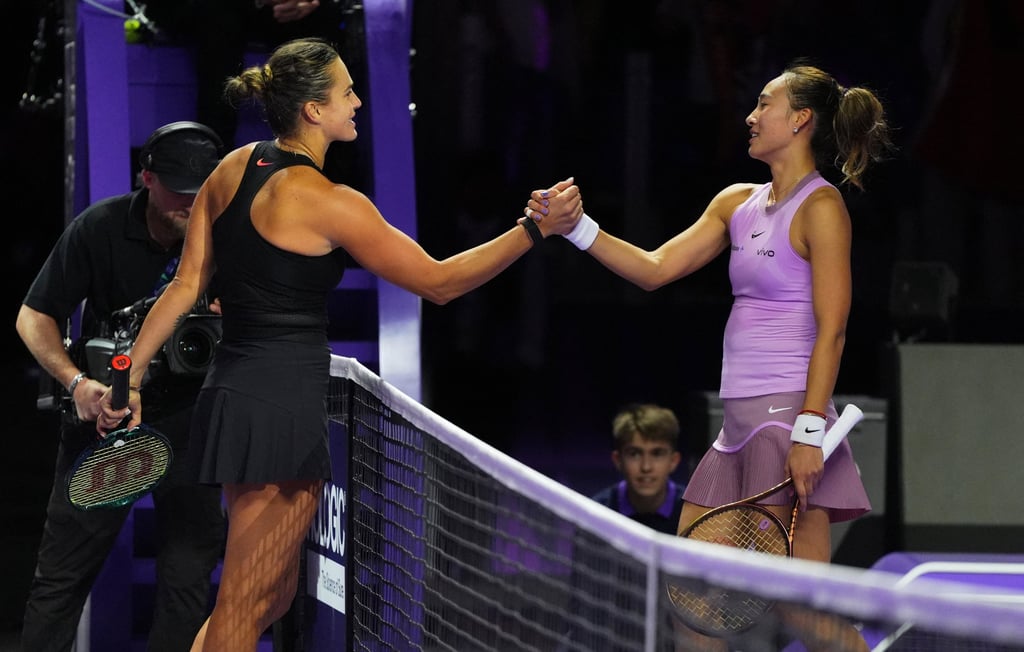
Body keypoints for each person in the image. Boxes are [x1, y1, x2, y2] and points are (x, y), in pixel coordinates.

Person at [97, 37, 583, 651]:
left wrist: (131, 375)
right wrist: (534, 231)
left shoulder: (231, 169)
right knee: (242, 608)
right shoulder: (331, 204)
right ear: (313, 111)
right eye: (347, 92)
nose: (358, 101)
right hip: (278, 408)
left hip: (237, 395)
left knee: (266, 597)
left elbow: (186, 285)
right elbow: (438, 283)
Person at [529, 61, 892, 651]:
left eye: (764, 104)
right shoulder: (735, 203)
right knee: (693, 608)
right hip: (735, 434)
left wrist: (807, 431)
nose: (750, 116)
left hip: (788, 428)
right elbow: (654, 270)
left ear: (800, 119)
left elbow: (834, 330)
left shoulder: (822, 208)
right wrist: (577, 229)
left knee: (804, 615)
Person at [15, 121, 228, 652]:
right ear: (146, 177)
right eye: (177, 189)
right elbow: (32, 315)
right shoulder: (100, 227)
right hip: (106, 421)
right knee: (60, 580)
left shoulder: (228, 237)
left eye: (200, 191)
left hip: (189, 421)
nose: (189, 202)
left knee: (187, 577)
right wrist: (78, 383)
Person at [590, 403, 686, 535]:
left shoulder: (692, 513)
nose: (646, 467)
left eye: (657, 454)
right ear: (618, 460)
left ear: (673, 461)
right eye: (634, 454)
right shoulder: (596, 513)